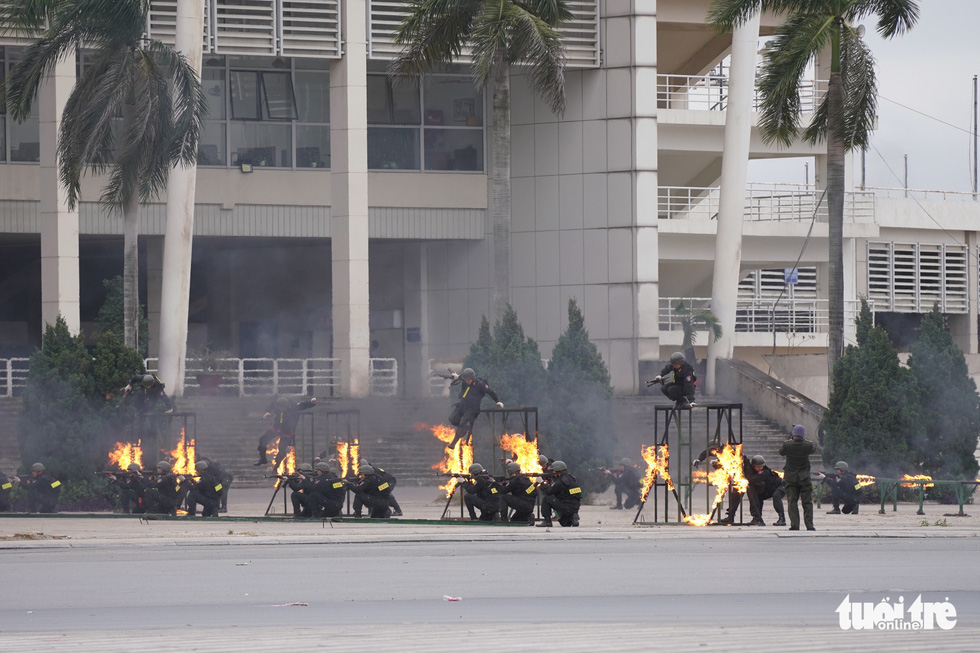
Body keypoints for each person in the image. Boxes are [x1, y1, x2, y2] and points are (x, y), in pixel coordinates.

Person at [123, 373, 174, 463]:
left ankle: (150, 431)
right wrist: (129, 385)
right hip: (143, 396)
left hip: (152, 398)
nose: (147, 386)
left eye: (149, 385)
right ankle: (137, 412)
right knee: (136, 401)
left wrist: (170, 408)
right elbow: (134, 377)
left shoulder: (158, 389)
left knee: (148, 406)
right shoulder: (142, 378)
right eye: (146, 385)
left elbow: (165, 398)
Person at [447, 368, 503, 447]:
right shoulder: (465, 380)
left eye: (468, 380)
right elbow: (460, 377)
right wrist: (456, 376)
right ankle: (465, 428)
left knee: (462, 424)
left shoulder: (480, 384)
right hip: (462, 404)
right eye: (465, 380)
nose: (467, 382)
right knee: (452, 419)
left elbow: (491, 392)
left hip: (472, 408)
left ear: (473, 378)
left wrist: (497, 401)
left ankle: (453, 443)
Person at [255, 395, 317, 467]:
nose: (282, 409)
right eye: (280, 407)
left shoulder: (293, 407)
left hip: (287, 431)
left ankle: (276, 466)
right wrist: (268, 412)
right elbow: (271, 405)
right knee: (262, 440)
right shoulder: (276, 405)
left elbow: (302, 405)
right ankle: (263, 458)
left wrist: (311, 402)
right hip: (276, 428)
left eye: (283, 407)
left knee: (281, 449)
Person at [779, 424, 816, 531]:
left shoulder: (787, 445)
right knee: (807, 502)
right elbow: (812, 450)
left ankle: (795, 525)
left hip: (791, 477)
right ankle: (809, 525)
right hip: (804, 477)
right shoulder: (808, 445)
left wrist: (789, 440)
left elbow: (781, 452)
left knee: (792, 502)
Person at [537, 461, 582, 527]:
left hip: (567, 507)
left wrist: (541, 483)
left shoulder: (561, 481)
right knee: (564, 523)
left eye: (554, 471)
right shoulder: (571, 478)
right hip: (575, 507)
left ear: (557, 470)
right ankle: (573, 517)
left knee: (547, 498)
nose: (553, 473)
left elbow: (549, 492)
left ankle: (547, 521)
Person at [745, 455, 787, 526]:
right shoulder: (755, 471)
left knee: (776, 496)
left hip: (781, 486)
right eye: (758, 467)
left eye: (761, 466)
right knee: (758, 497)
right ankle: (757, 518)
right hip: (769, 489)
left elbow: (752, 479)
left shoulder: (765, 472)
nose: (760, 468)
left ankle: (782, 519)